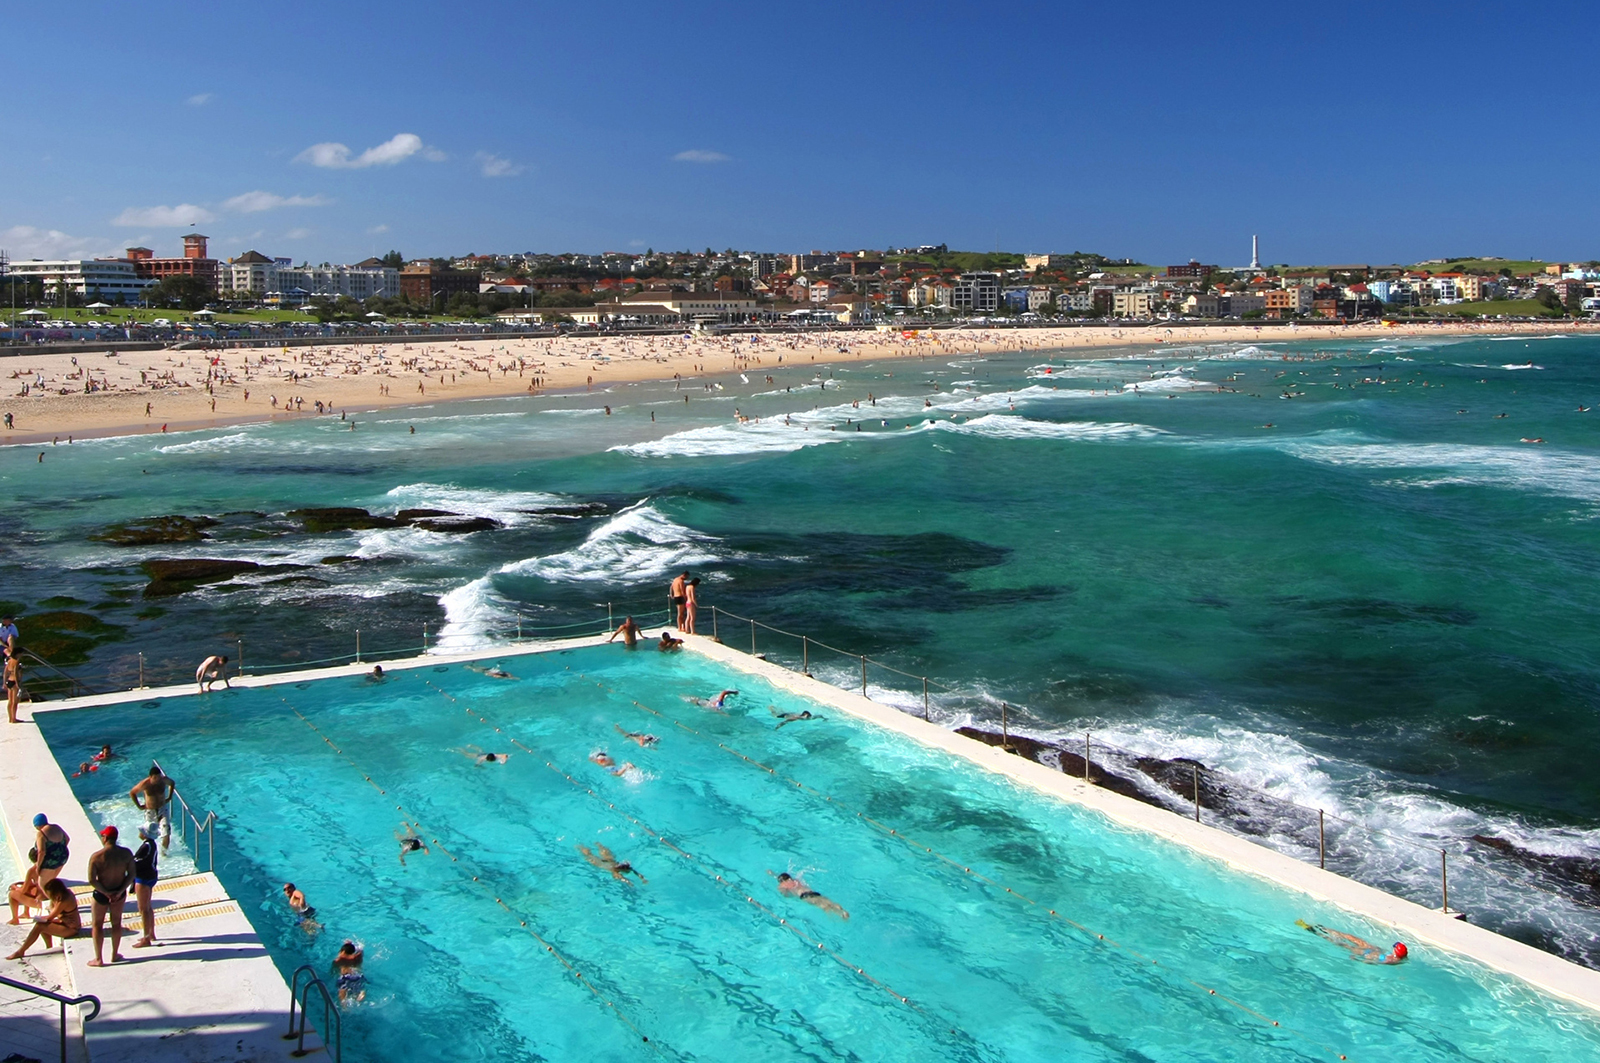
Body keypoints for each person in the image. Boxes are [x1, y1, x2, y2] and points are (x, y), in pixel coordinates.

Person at [87, 825, 134, 966]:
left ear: (105, 838)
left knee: (97, 925)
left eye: (102, 836)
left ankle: (98, 958)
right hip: (118, 893)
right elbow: (131, 874)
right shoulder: (126, 854)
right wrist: (119, 891)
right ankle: (114, 955)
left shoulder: (96, 857)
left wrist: (106, 893)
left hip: (101, 894)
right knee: (116, 923)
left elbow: (92, 880)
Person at [5, 878, 81, 960]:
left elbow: (50, 917)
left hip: (71, 928)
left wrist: (39, 918)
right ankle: (49, 947)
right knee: (43, 924)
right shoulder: (61, 896)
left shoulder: (64, 900)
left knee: (39, 926)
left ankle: (21, 951)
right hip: (65, 922)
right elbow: (52, 909)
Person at [1296, 920, 1408, 964]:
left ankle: (1314, 930)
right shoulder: (1399, 959)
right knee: (1350, 937)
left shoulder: (1390, 960)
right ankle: (1323, 928)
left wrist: (1359, 959)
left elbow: (1373, 961)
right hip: (1371, 948)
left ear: (1396, 951)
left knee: (1339, 943)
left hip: (1365, 952)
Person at [130, 764, 175, 854]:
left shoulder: (163, 780)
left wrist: (169, 797)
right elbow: (132, 793)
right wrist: (139, 806)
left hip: (162, 809)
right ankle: (148, 847)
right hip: (150, 811)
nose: (157, 779)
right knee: (145, 835)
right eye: (155, 778)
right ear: (150, 777)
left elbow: (172, 783)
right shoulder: (145, 784)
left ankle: (163, 854)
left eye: (159, 777)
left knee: (166, 833)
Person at [131, 825, 159, 949]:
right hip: (151, 876)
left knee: (143, 909)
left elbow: (136, 863)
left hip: (143, 879)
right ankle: (151, 933)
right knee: (148, 906)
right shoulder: (152, 845)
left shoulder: (146, 846)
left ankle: (146, 938)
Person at [776, 872, 848, 919]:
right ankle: (842, 910)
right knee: (829, 902)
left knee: (824, 906)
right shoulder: (795, 880)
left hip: (805, 896)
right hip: (812, 892)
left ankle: (840, 915)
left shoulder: (783, 884)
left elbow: (785, 895)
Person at [31, 814, 69, 890]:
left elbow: (41, 852)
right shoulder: (57, 827)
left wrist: (38, 866)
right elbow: (67, 839)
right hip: (63, 856)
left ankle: (54, 897)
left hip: (51, 861)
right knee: (51, 881)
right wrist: (59, 850)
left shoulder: (41, 833)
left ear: (38, 825)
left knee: (43, 886)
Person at [578, 843, 646, 885]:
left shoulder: (622, 868)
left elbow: (634, 871)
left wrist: (642, 879)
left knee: (595, 854)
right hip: (601, 863)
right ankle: (580, 846)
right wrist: (628, 882)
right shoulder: (615, 871)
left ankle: (597, 844)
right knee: (589, 856)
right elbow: (620, 877)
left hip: (609, 861)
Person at [5, 644, 20, 724]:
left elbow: (5, 672)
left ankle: (10, 718)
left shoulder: (9, 661)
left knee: (10, 701)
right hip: (14, 682)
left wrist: (4, 682)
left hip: (9, 681)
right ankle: (14, 718)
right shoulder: (16, 662)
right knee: (15, 702)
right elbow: (16, 673)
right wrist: (18, 684)